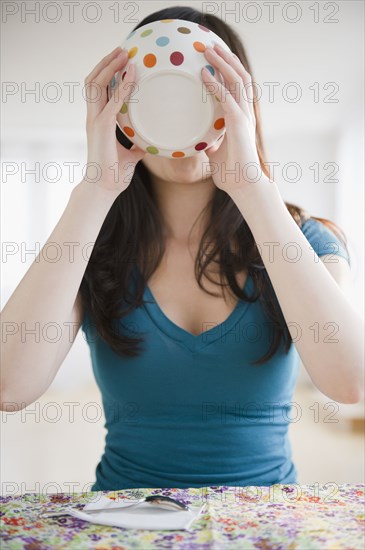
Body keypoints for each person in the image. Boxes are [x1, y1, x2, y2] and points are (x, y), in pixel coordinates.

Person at [1, 6, 364, 492]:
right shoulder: (93, 246)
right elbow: (10, 386)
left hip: (264, 522)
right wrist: (95, 188)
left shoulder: (304, 239)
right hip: (126, 521)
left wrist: (252, 186)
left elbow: (350, 385)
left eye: (212, 92)